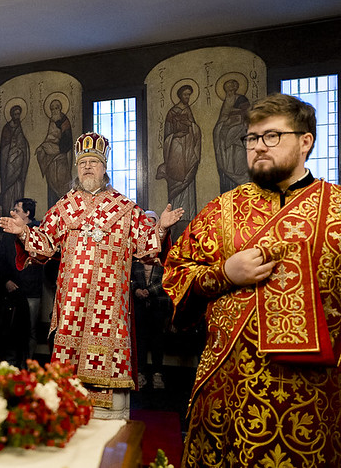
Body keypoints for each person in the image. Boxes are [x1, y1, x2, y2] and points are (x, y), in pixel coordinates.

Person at [164, 93, 341, 467]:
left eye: (272, 136)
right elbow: (177, 271)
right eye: (251, 138)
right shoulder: (221, 209)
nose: (258, 146)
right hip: (231, 389)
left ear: (305, 141)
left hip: (318, 393)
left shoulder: (337, 207)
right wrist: (224, 274)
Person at [0, 132, 183, 419]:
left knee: (108, 378)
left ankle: (110, 424)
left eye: (93, 162)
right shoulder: (64, 206)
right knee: (68, 375)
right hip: (72, 304)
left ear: (104, 168)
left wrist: (161, 228)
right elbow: (44, 245)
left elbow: (146, 246)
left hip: (110, 307)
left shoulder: (125, 208)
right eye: (82, 162)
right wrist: (23, 232)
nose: (87, 167)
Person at [0, 197, 43, 365]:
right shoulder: (9, 233)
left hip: (31, 291)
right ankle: (12, 366)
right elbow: (0, 259)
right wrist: (6, 281)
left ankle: (28, 365)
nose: (13, 213)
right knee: (11, 330)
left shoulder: (38, 233)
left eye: (17, 210)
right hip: (12, 291)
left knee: (30, 330)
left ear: (27, 213)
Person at [130, 210, 172, 390]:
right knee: (139, 339)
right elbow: (129, 276)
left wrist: (148, 291)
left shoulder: (163, 252)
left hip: (158, 304)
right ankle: (139, 373)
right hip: (139, 304)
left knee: (157, 340)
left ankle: (157, 374)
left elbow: (167, 278)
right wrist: (136, 290)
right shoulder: (136, 251)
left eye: (152, 222)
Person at [157, 84, 201, 239]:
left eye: (189, 95)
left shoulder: (188, 110)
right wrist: (175, 136)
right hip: (175, 151)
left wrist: (190, 125)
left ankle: (189, 217)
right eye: (185, 95)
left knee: (188, 183)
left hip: (188, 153)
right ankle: (175, 220)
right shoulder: (172, 112)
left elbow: (196, 131)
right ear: (180, 95)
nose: (187, 97)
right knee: (177, 183)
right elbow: (167, 136)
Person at [213, 77, 251, 193]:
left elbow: (247, 118)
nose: (229, 91)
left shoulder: (241, 99)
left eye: (231, 88)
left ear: (235, 88)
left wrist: (236, 125)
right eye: (227, 89)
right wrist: (225, 126)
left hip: (239, 144)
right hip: (227, 148)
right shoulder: (227, 101)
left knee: (239, 168)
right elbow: (221, 123)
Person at [0, 102, 29, 214]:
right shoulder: (7, 128)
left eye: (18, 114)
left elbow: (23, 144)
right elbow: (4, 148)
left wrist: (22, 149)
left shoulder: (20, 128)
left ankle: (18, 213)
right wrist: (13, 148)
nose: (17, 117)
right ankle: (8, 212)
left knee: (18, 188)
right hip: (10, 164)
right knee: (9, 189)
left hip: (19, 163)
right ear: (11, 115)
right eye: (15, 114)